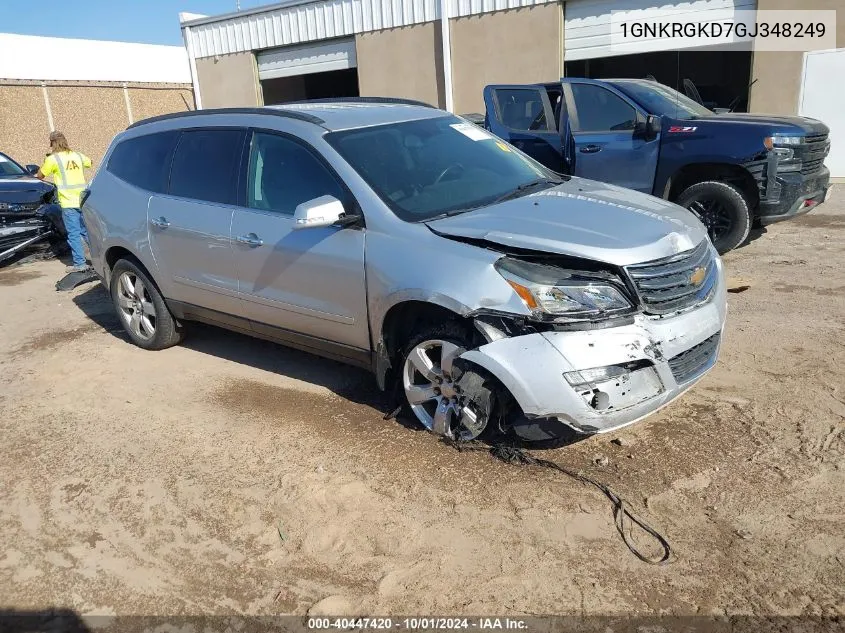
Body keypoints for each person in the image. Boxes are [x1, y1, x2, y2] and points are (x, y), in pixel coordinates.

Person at [37, 132, 93, 273]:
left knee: (73, 233)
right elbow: (90, 162)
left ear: (52, 143)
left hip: (68, 202)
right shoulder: (78, 155)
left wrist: (46, 161)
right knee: (86, 231)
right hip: (83, 200)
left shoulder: (53, 159)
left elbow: (40, 175)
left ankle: (80, 264)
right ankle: (99, 259)